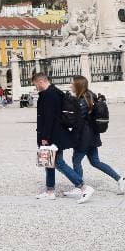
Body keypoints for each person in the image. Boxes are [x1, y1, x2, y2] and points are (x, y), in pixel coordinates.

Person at [32, 72, 94, 203]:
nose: (36, 87)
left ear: (41, 81)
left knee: (58, 163)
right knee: (48, 162)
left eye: (36, 84)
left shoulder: (49, 95)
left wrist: (44, 137)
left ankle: (83, 187)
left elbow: (48, 118)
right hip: (54, 134)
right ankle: (50, 191)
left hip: (52, 135)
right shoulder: (55, 92)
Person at [67, 76, 125, 197]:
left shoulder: (83, 99)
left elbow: (77, 119)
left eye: (72, 84)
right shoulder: (89, 95)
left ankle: (79, 187)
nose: (70, 86)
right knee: (95, 161)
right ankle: (120, 179)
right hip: (92, 135)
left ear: (78, 85)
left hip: (84, 136)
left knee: (76, 160)